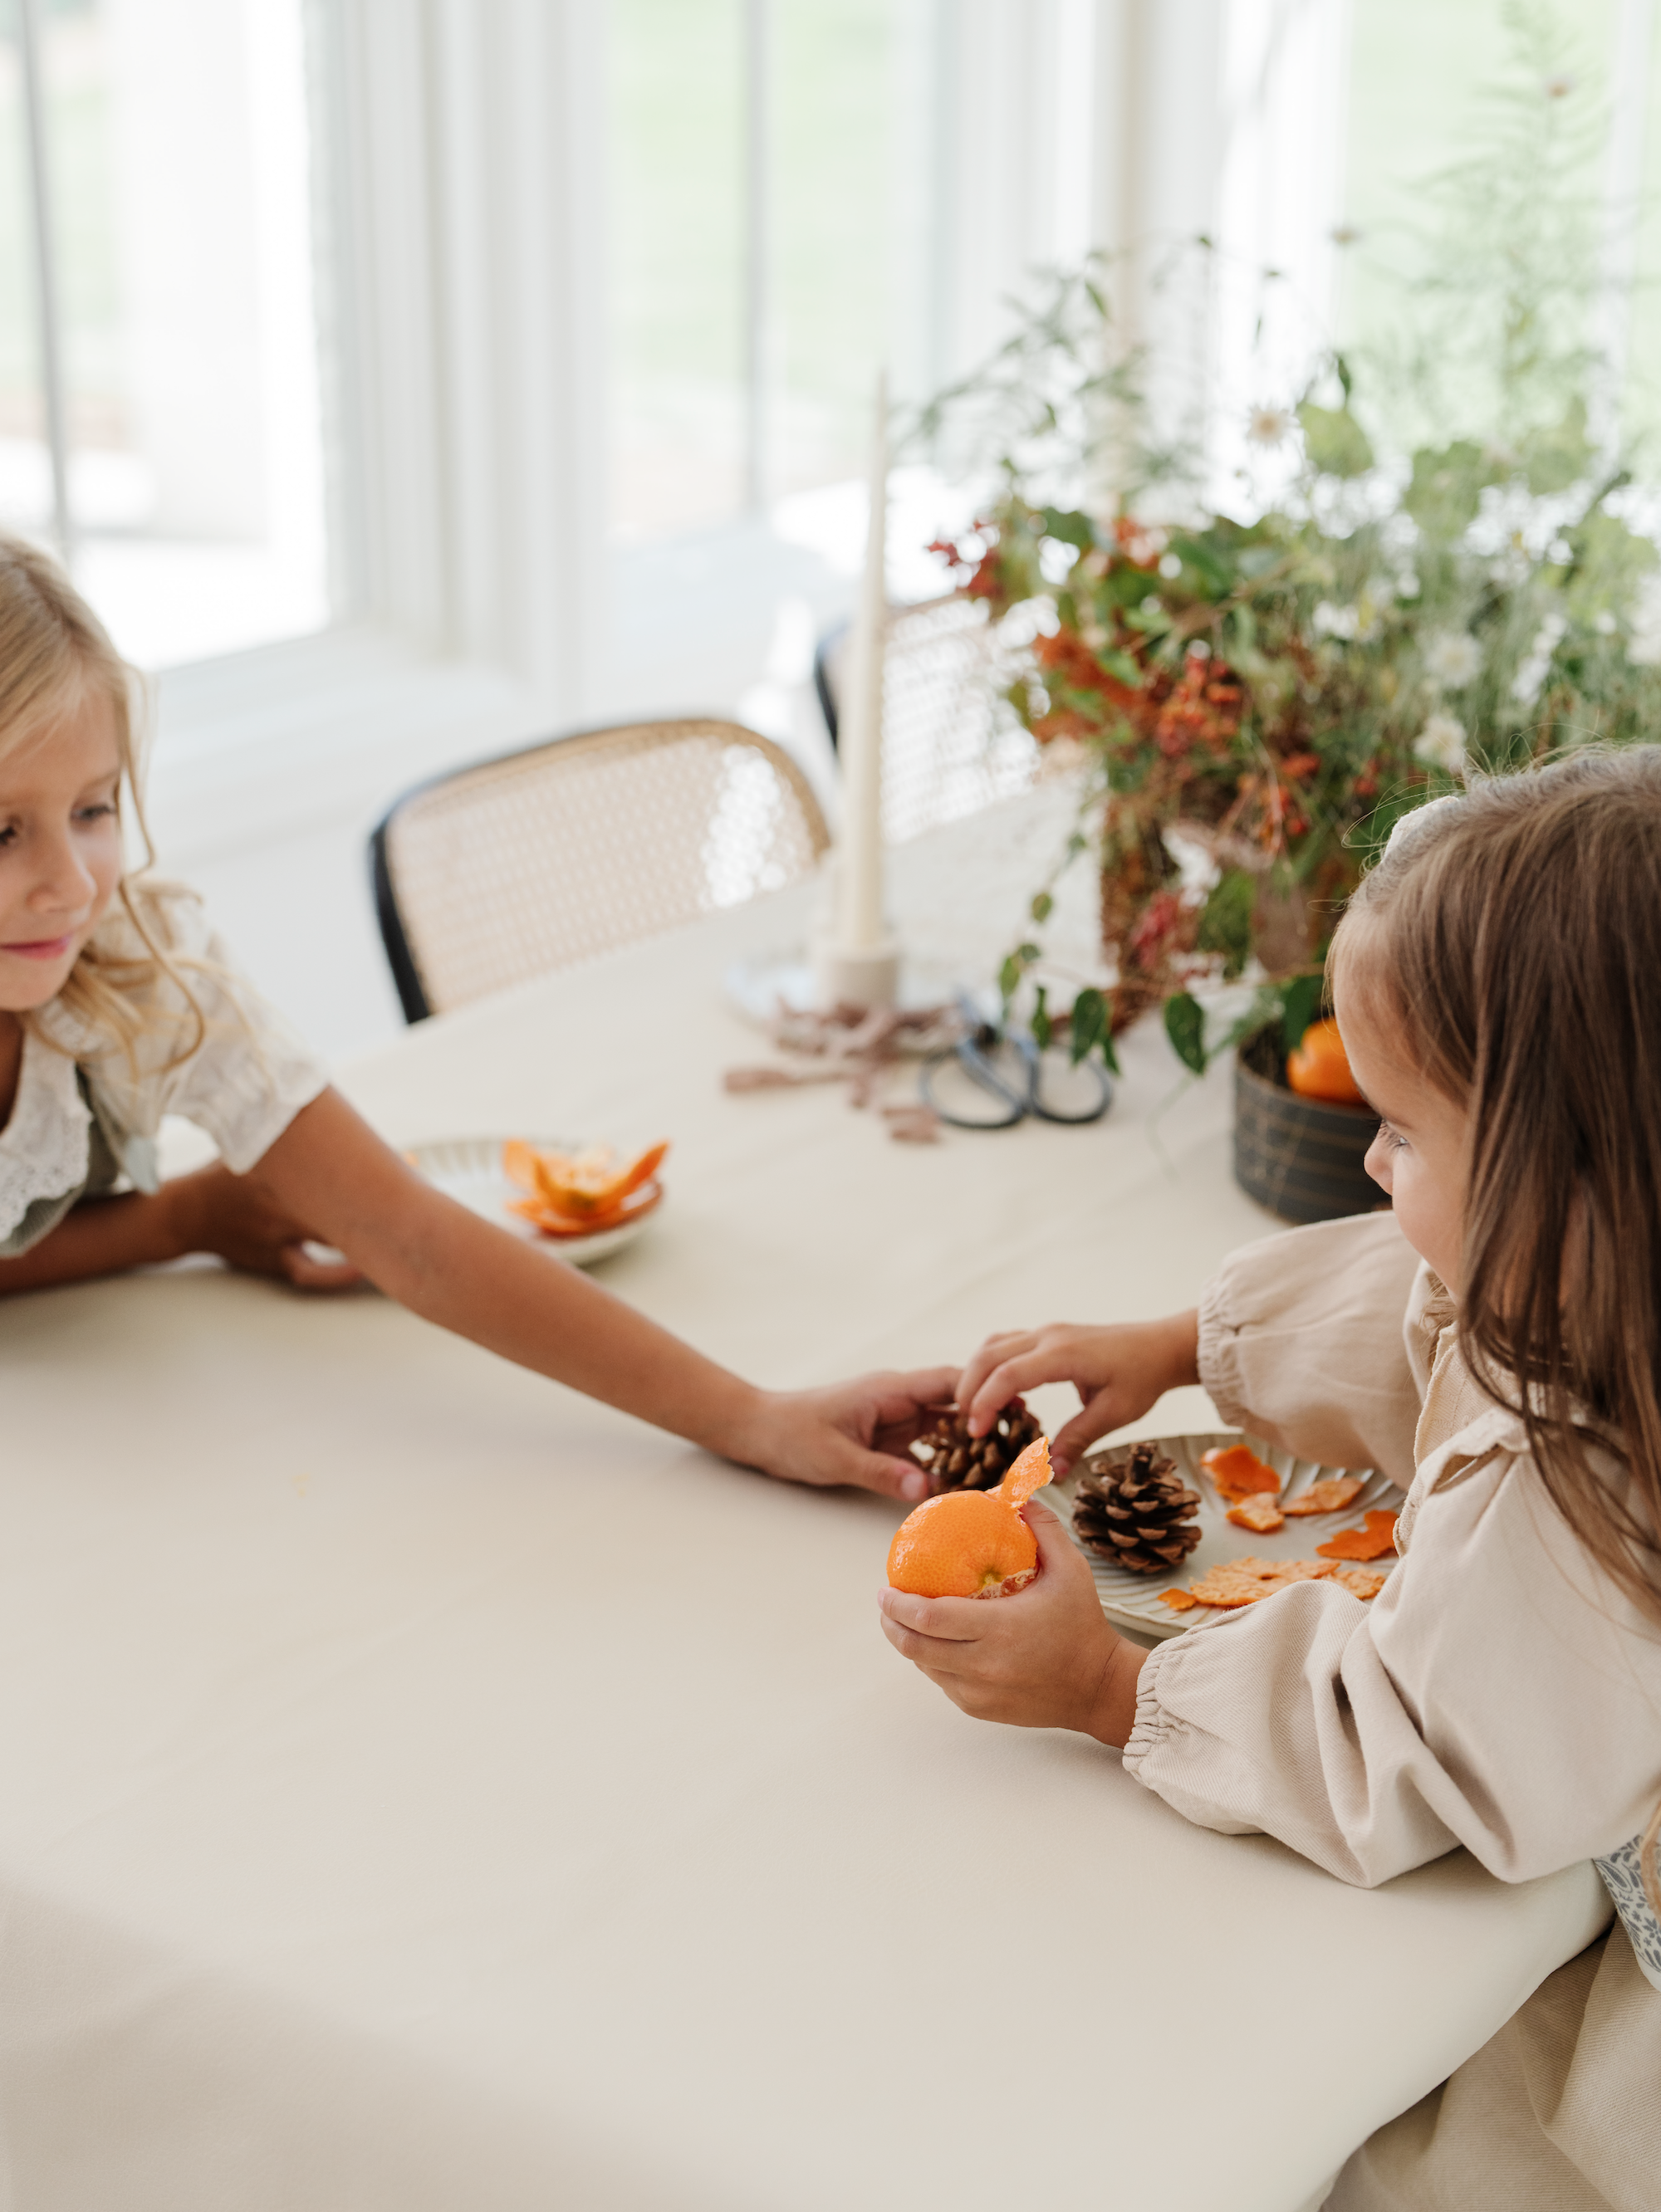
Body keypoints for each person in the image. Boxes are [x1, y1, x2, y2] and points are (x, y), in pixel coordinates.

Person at [879, 754, 1661, 2211]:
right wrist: (1184, 1344)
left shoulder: (1573, 1484)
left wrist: (1108, 1686)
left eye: (1405, 1131)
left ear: (1565, 1181)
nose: (1367, 1161)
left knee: (1331, 2146)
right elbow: (1433, 1305)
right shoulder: (1606, 1271)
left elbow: (1412, 1751)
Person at [0, 532, 950, 1500]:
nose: (71, 886)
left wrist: (749, 1415)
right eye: (3, 830)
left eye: (94, 807)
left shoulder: (139, 963)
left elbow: (410, 1237)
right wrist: (172, 1222)